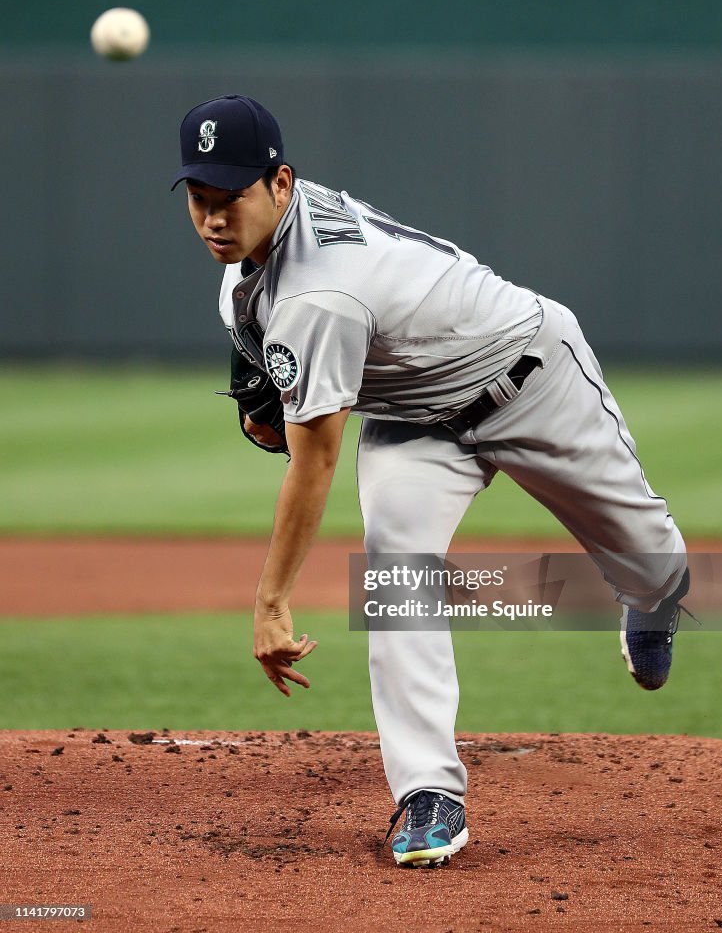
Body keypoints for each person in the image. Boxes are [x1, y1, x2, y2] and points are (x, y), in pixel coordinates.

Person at [172, 94, 690, 869]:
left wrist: (271, 599)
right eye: (199, 199)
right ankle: (428, 793)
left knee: (648, 554)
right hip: (416, 418)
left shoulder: (319, 292)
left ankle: (652, 595)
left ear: (281, 184)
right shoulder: (256, 266)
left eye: (231, 197)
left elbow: (314, 458)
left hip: (531, 376)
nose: (214, 218)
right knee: (395, 565)